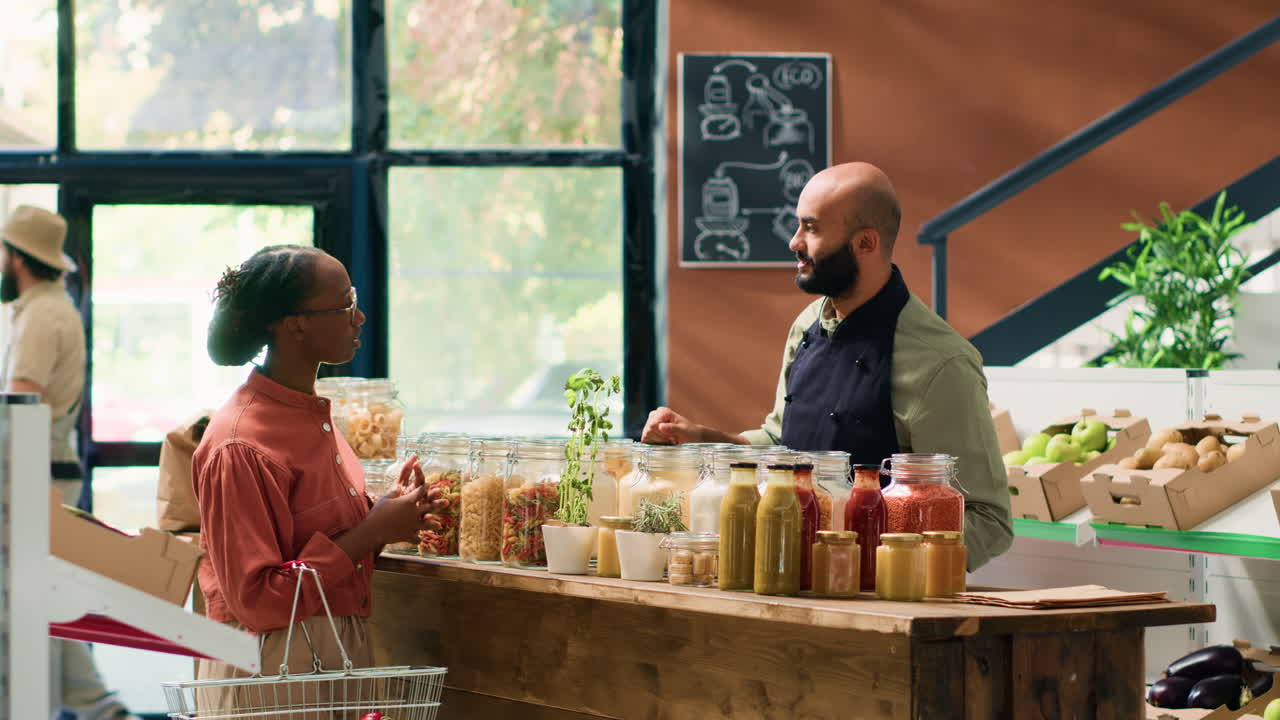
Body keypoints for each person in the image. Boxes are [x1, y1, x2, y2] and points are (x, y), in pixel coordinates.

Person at [643, 162, 1013, 570]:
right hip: (784, 576)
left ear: (866, 243)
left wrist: (888, 572)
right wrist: (699, 437)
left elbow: (988, 519)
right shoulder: (807, 325)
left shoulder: (940, 362)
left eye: (812, 228)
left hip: (872, 595)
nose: (794, 242)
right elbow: (782, 443)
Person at [192, 245, 444, 696]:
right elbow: (257, 601)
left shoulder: (313, 416)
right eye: (346, 305)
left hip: (322, 656)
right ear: (296, 325)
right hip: (267, 671)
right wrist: (371, 531)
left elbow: (320, 540)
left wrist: (389, 517)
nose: (359, 318)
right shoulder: (239, 444)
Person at [1, 204, 137, 720]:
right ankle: (102, 709)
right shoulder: (48, 308)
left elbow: (20, 406)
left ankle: (93, 707)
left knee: (27, 602)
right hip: (45, 472)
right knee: (41, 598)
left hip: (33, 475)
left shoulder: (41, 317)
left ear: (18, 257)